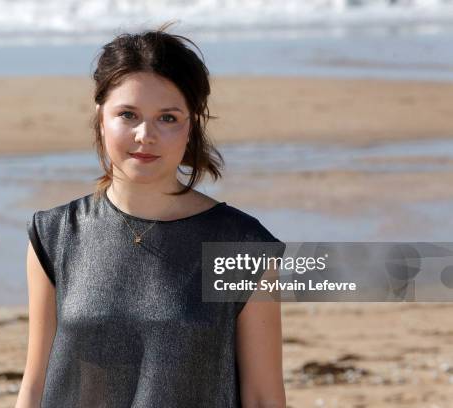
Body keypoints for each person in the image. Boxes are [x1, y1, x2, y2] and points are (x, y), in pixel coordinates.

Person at [15, 23, 286, 408]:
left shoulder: (241, 244)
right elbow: (35, 385)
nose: (145, 135)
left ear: (192, 125)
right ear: (101, 117)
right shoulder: (55, 235)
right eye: (128, 114)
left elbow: (263, 397)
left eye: (168, 117)